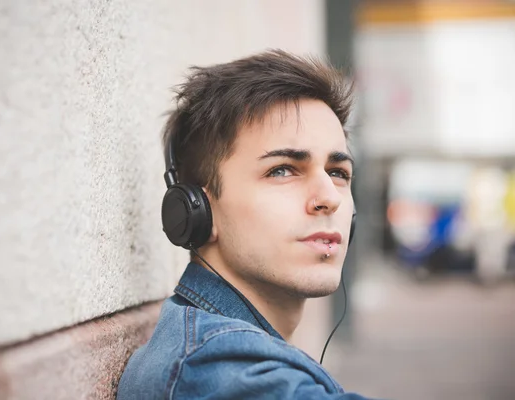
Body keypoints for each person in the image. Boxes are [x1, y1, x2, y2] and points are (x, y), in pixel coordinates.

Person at [117, 50, 375, 399]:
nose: (329, 197)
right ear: (197, 211)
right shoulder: (221, 372)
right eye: (282, 170)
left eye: (337, 172)